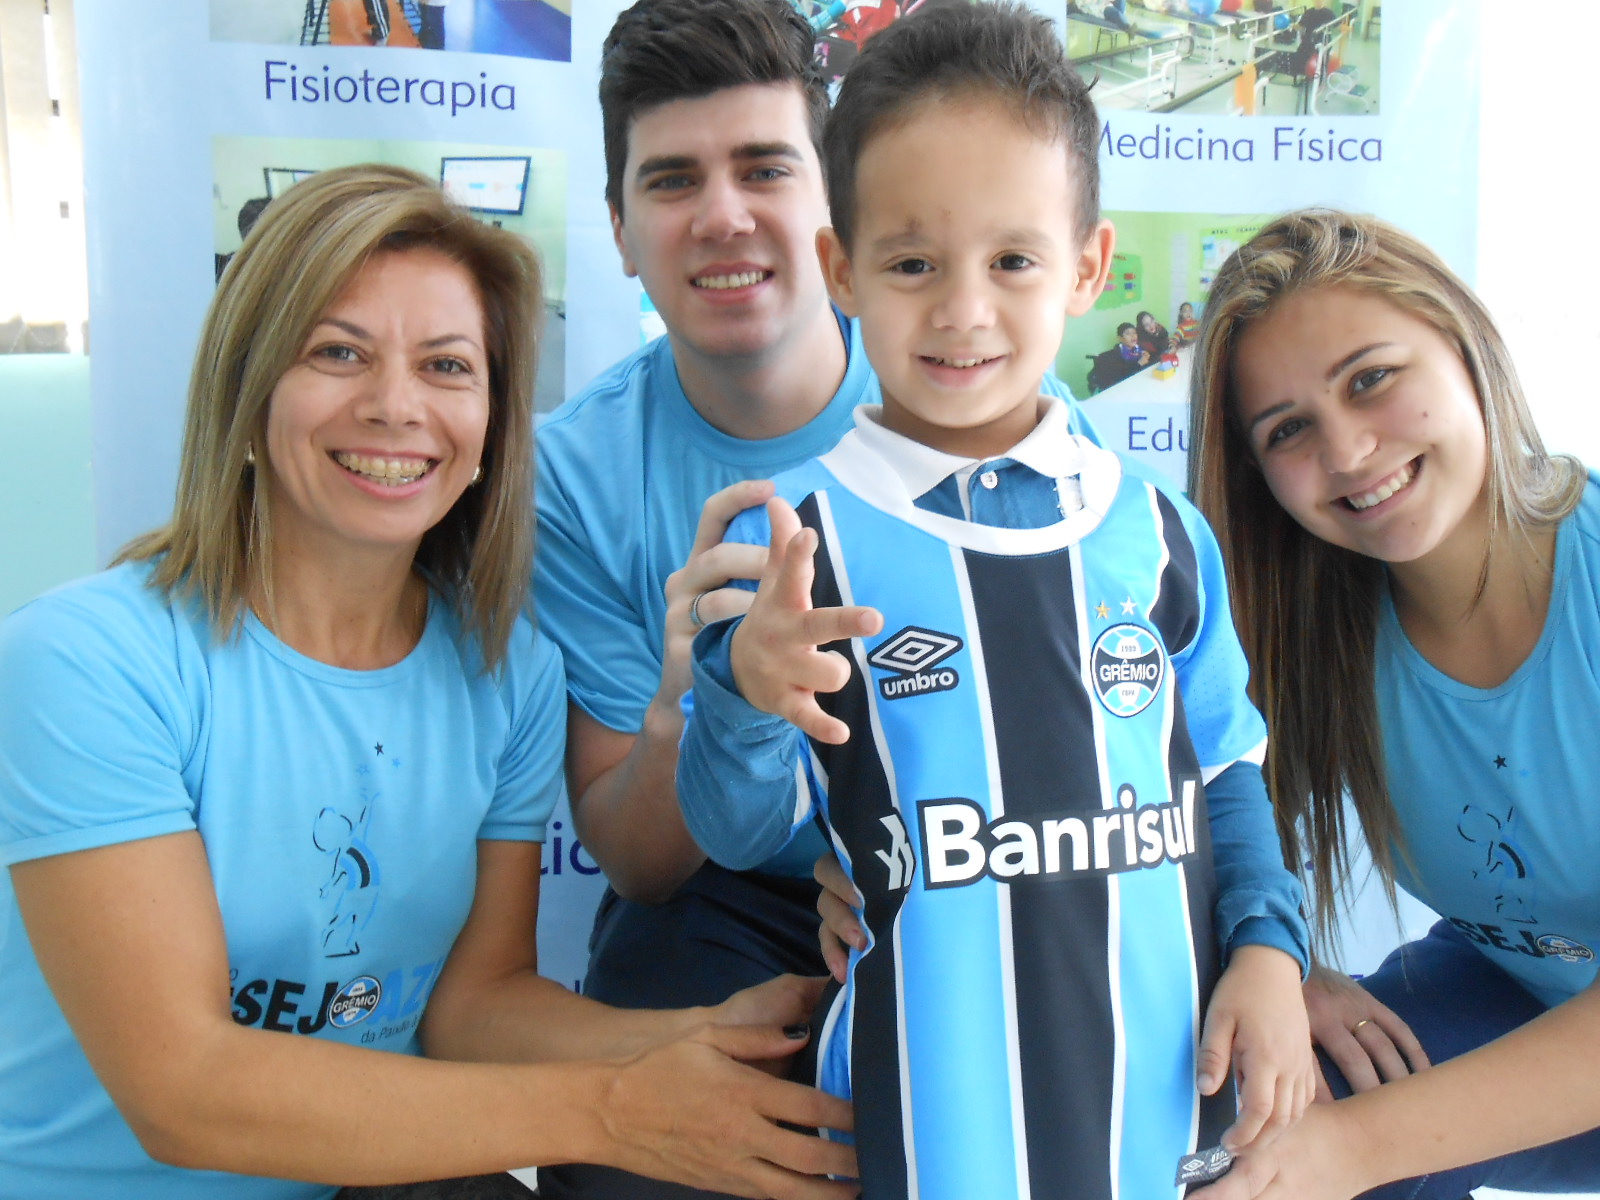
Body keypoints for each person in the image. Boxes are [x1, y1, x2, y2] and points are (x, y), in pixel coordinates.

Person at [0, 164, 856, 1200]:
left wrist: (692, 1035)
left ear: (494, 420)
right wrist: (617, 1107)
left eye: (448, 366)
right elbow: (186, 1088)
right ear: (249, 381)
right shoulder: (85, 662)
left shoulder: (508, 673)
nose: (395, 406)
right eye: (337, 352)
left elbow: (470, 1003)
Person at [675, 7, 1313, 1198]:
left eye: (1013, 261)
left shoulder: (1161, 530)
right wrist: (744, 696)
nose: (964, 310)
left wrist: (1273, 951)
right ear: (841, 269)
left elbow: (1224, 773)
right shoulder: (794, 542)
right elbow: (736, 831)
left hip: (1165, 1123)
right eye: (914, 262)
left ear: (1084, 267)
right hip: (926, 1136)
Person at [533, 7, 1095, 1195]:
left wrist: (914, 867)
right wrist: (708, 691)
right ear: (622, 230)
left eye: (765, 168)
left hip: (994, 862)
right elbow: (634, 862)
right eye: (673, 179)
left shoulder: (988, 387)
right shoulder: (572, 479)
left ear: (834, 216)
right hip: (727, 901)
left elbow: (1109, 744)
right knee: (638, 1163)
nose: (723, 216)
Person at [1183, 207, 1600, 1199]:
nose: (1349, 451)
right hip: (1521, 994)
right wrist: (1275, 959)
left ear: (1463, 343)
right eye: (1289, 430)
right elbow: (1161, 836)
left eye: (1370, 379)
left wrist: (1354, 1149)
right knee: (1262, 1116)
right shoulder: (1297, 629)